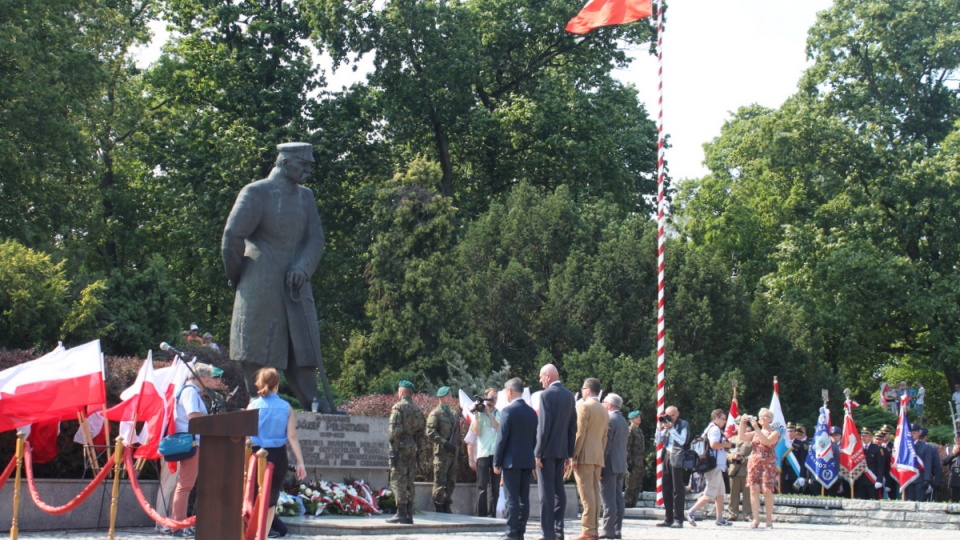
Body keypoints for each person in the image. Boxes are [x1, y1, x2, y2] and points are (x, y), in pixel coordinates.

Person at [222, 141, 335, 413]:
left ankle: (316, 403)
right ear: (284, 162)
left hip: (296, 283)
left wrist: (303, 268)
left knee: (303, 346)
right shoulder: (256, 192)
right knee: (259, 348)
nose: (308, 171)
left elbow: (316, 239)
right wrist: (241, 277)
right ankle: (259, 403)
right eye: (303, 164)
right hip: (261, 280)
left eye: (310, 165)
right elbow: (232, 237)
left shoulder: (306, 197)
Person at [246, 368, 307, 538]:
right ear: (277, 384)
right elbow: (292, 436)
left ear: (259, 383)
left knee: (252, 495)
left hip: (255, 454)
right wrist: (300, 462)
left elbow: (245, 435)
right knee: (271, 498)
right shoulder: (285, 407)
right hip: (277, 455)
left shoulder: (252, 405)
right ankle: (263, 535)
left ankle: (250, 531)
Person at [170, 363, 221, 538]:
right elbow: (193, 416)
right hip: (191, 442)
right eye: (210, 377)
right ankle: (179, 525)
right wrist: (213, 420)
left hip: (193, 441)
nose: (211, 380)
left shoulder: (190, 391)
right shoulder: (190, 392)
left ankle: (181, 524)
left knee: (185, 485)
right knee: (185, 486)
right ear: (203, 377)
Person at [535, 363, 577, 540]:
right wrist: (569, 453)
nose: (540, 380)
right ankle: (559, 530)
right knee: (559, 490)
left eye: (541, 376)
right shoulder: (569, 396)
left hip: (546, 452)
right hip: (561, 451)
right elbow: (572, 427)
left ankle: (548, 533)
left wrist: (538, 452)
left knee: (546, 493)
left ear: (548, 376)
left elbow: (543, 427)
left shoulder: (546, 395)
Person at [494, 377, 538, 540]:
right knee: (523, 498)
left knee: (511, 498)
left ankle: (511, 533)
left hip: (511, 461)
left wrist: (497, 461)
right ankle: (520, 532)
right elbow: (534, 438)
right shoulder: (531, 412)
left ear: (510, 391)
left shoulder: (508, 411)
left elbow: (502, 438)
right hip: (527, 460)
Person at [572, 378, 607, 540]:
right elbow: (604, 437)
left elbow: (580, 433)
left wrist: (574, 455)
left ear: (587, 390)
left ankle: (588, 530)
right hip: (597, 455)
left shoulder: (584, 406)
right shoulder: (603, 409)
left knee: (586, 494)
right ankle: (593, 528)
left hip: (584, 455)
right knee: (594, 492)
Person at [686, 409, 734, 527]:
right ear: (716, 418)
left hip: (715, 466)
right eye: (723, 419)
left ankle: (720, 518)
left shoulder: (709, 428)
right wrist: (727, 445)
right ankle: (691, 511)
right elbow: (713, 445)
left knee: (720, 493)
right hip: (714, 466)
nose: (725, 421)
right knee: (710, 493)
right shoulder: (715, 430)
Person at [386, 380, 425, 524]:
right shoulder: (417, 410)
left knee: (398, 480)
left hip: (400, 447)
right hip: (412, 447)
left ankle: (401, 513)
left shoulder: (398, 408)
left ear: (401, 393)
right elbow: (421, 432)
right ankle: (409, 513)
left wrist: (393, 450)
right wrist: (418, 449)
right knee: (410, 481)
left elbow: (394, 431)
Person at [739, 408, 779, 529]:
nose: (762, 418)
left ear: (770, 419)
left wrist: (756, 428)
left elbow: (766, 442)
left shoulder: (774, 432)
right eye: (760, 416)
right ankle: (755, 519)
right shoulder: (755, 432)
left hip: (768, 463)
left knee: (767, 490)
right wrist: (742, 423)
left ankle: (768, 519)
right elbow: (742, 436)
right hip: (754, 462)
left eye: (765, 416)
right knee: (753, 489)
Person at [426, 386, 460, 513]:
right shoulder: (436, 413)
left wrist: (457, 448)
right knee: (440, 480)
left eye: (450, 395)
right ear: (440, 397)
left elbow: (457, 433)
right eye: (447, 395)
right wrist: (445, 443)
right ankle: (439, 505)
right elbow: (430, 432)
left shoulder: (453, 414)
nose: (449, 397)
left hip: (452, 453)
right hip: (441, 452)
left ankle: (447, 503)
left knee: (451, 481)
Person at [654, 405, 689, 528]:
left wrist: (672, 429)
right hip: (667, 456)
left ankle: (678, 519)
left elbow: (682, 441)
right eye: (668, 415)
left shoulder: (683, 424)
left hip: (677, 457)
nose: (670, 417)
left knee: (677, 489)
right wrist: (660, 429)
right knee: (666, 488)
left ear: (677, 414)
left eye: (672, 415)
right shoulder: (665, 424)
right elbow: (658, 441)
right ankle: (668, 518)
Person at [599, 393, 627, 540]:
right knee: (618, 499)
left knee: (608, 499)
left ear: (609, 405)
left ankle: (607, 530)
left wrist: (600, 465)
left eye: (604, 402)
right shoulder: (623, 420)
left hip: (609, 464)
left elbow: (606, 446)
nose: (602, 405)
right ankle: (617, 529)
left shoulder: (610, 420)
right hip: (621, 464)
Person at [472, 387, 501, 517]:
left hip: (495, 453)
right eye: (490, 398)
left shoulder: (499, 413)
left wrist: (489, 413)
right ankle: (481, 513)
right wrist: (477, 415)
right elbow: (476, 432)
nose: (493, 400)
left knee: (495, 487)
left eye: (495, 398)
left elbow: (498, 428)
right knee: (482, 485)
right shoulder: (480, 413)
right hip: (483, 453)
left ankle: (493, 513)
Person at [726, 424, 753, 522]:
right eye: (740, 425)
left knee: (748, 495)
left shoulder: (752, 439)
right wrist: (731, 457)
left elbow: (756, 454)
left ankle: (747, 514)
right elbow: (725, 453)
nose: (744, 428)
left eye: (746, 426)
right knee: (733, 494)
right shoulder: (732, 439)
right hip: (734, 470)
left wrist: (745, 460)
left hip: (747, 470)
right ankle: (733, 513)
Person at [623, 411, 644, 508]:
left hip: (639, 461)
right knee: (630, 483)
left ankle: (633, 502)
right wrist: (629, 462)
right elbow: (627, 447)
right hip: (633, 461)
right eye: (636, 417)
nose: (639, 418)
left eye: (639, 417)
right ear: (631, 419)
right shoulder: (630, 430)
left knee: (637, 483)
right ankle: (627, 502)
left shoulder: (639, 431)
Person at [945, 435, 960, 502]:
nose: (957, 439)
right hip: (955, 479)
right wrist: (953, 453)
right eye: (956, 437)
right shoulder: (950, 448)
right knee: (955, 501)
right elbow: (944, 462)